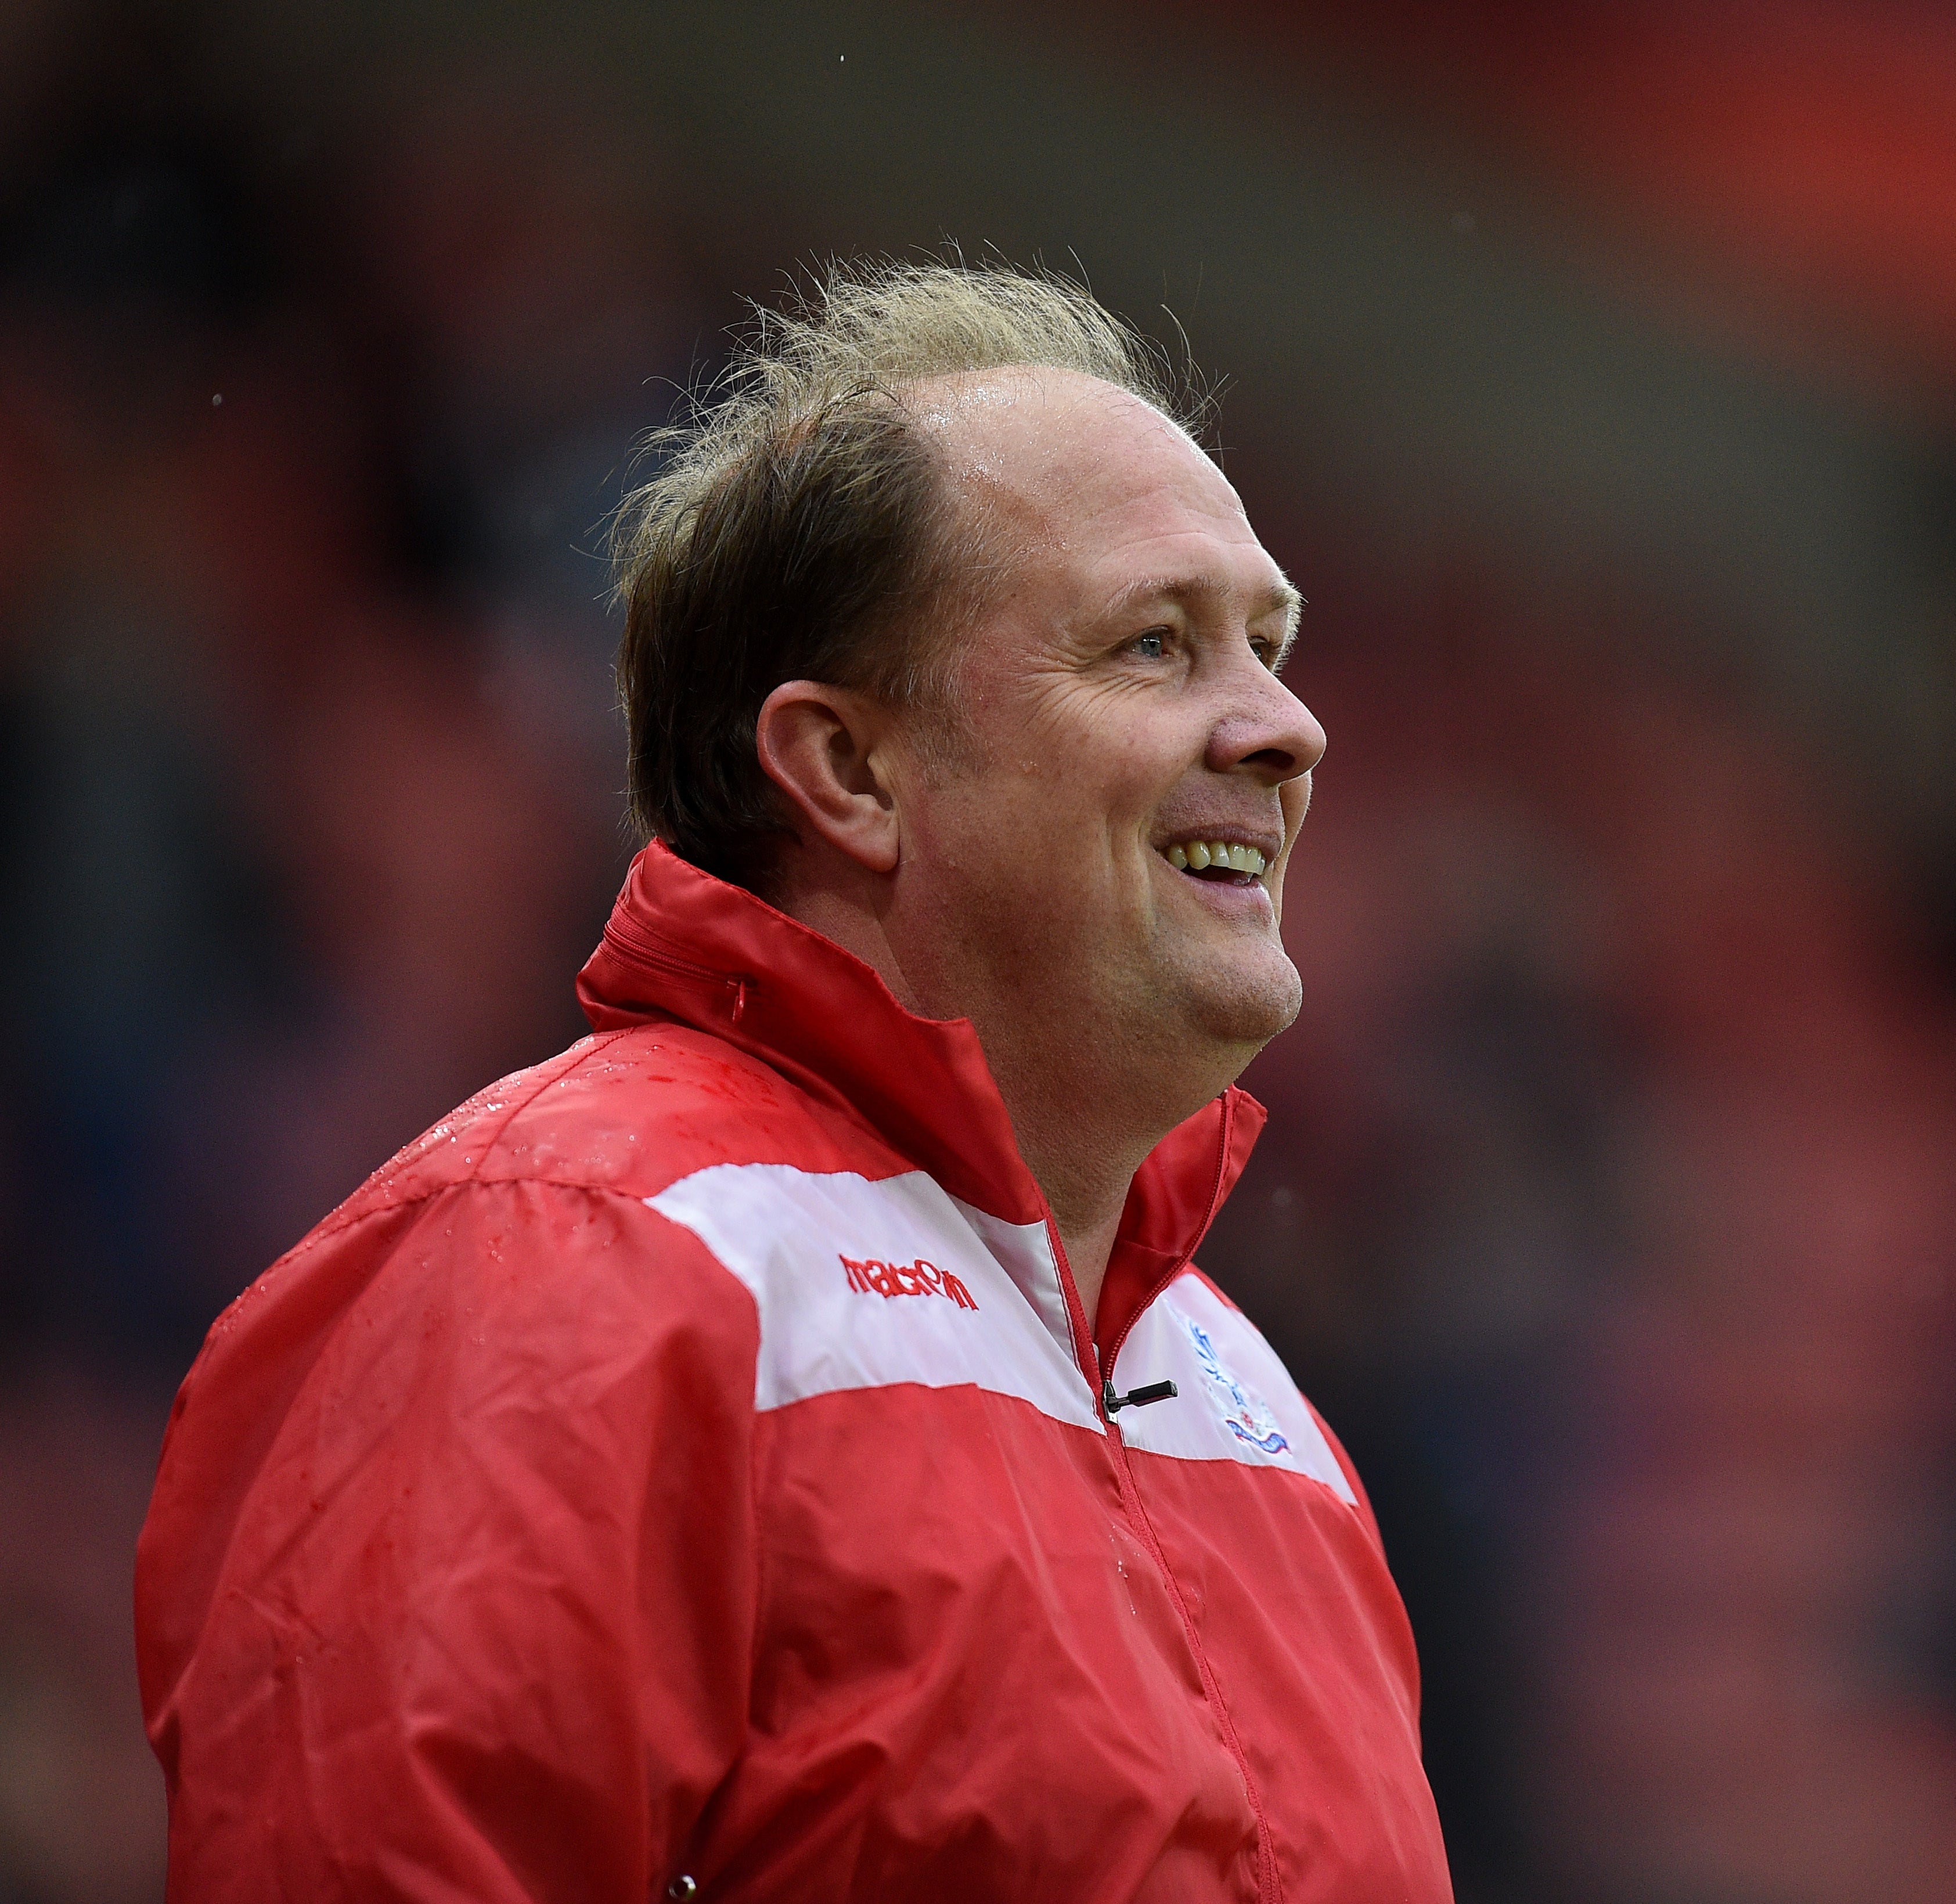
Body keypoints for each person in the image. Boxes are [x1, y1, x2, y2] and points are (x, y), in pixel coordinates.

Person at [135, 263, 1453, 1901]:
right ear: (847, 771)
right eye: (1151, 645)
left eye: (1268, 644)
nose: (1284, 729)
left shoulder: (1256, 1408)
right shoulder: (562, 1256)